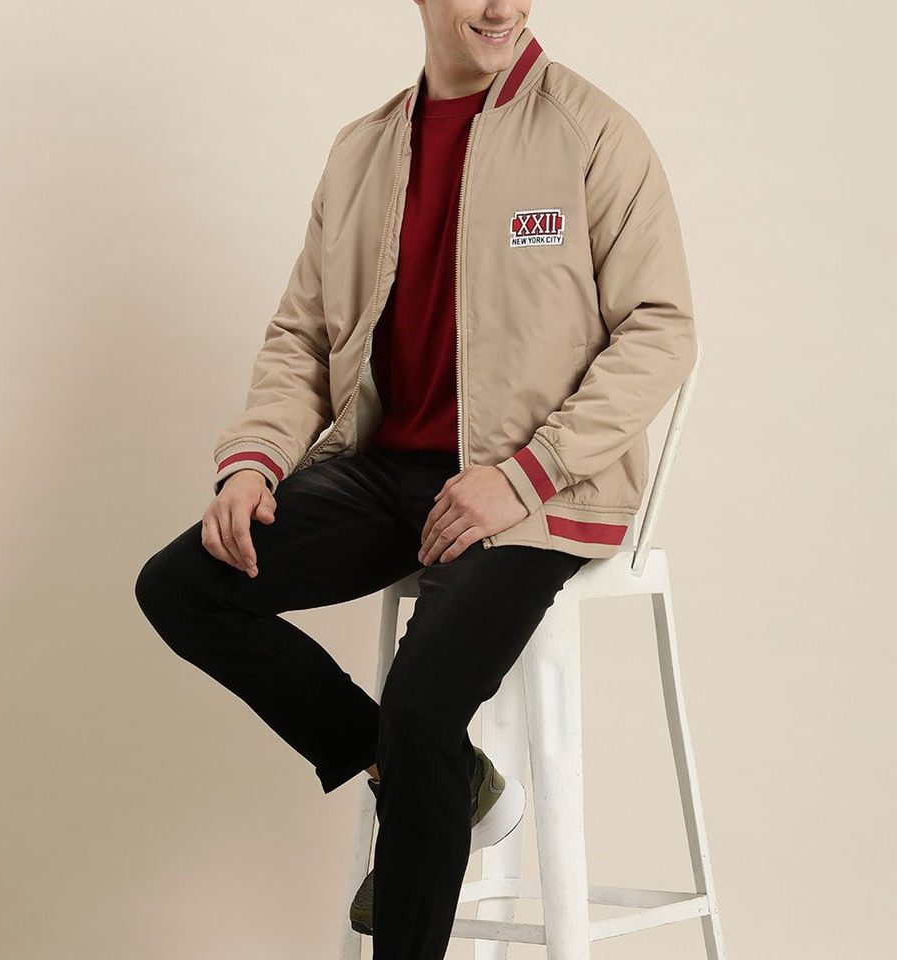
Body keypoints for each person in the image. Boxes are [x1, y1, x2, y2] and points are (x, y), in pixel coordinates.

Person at [134, 1, 697, 957]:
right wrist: (254, 461)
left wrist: (523, 474)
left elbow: (660, 328)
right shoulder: (362, 152)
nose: (503, 7)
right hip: (385, 474)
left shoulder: (592, 134)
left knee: (425, 706)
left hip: (536, 496)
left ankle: (418, 765)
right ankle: (426, 774)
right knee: (184, 585)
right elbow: (303, 337)